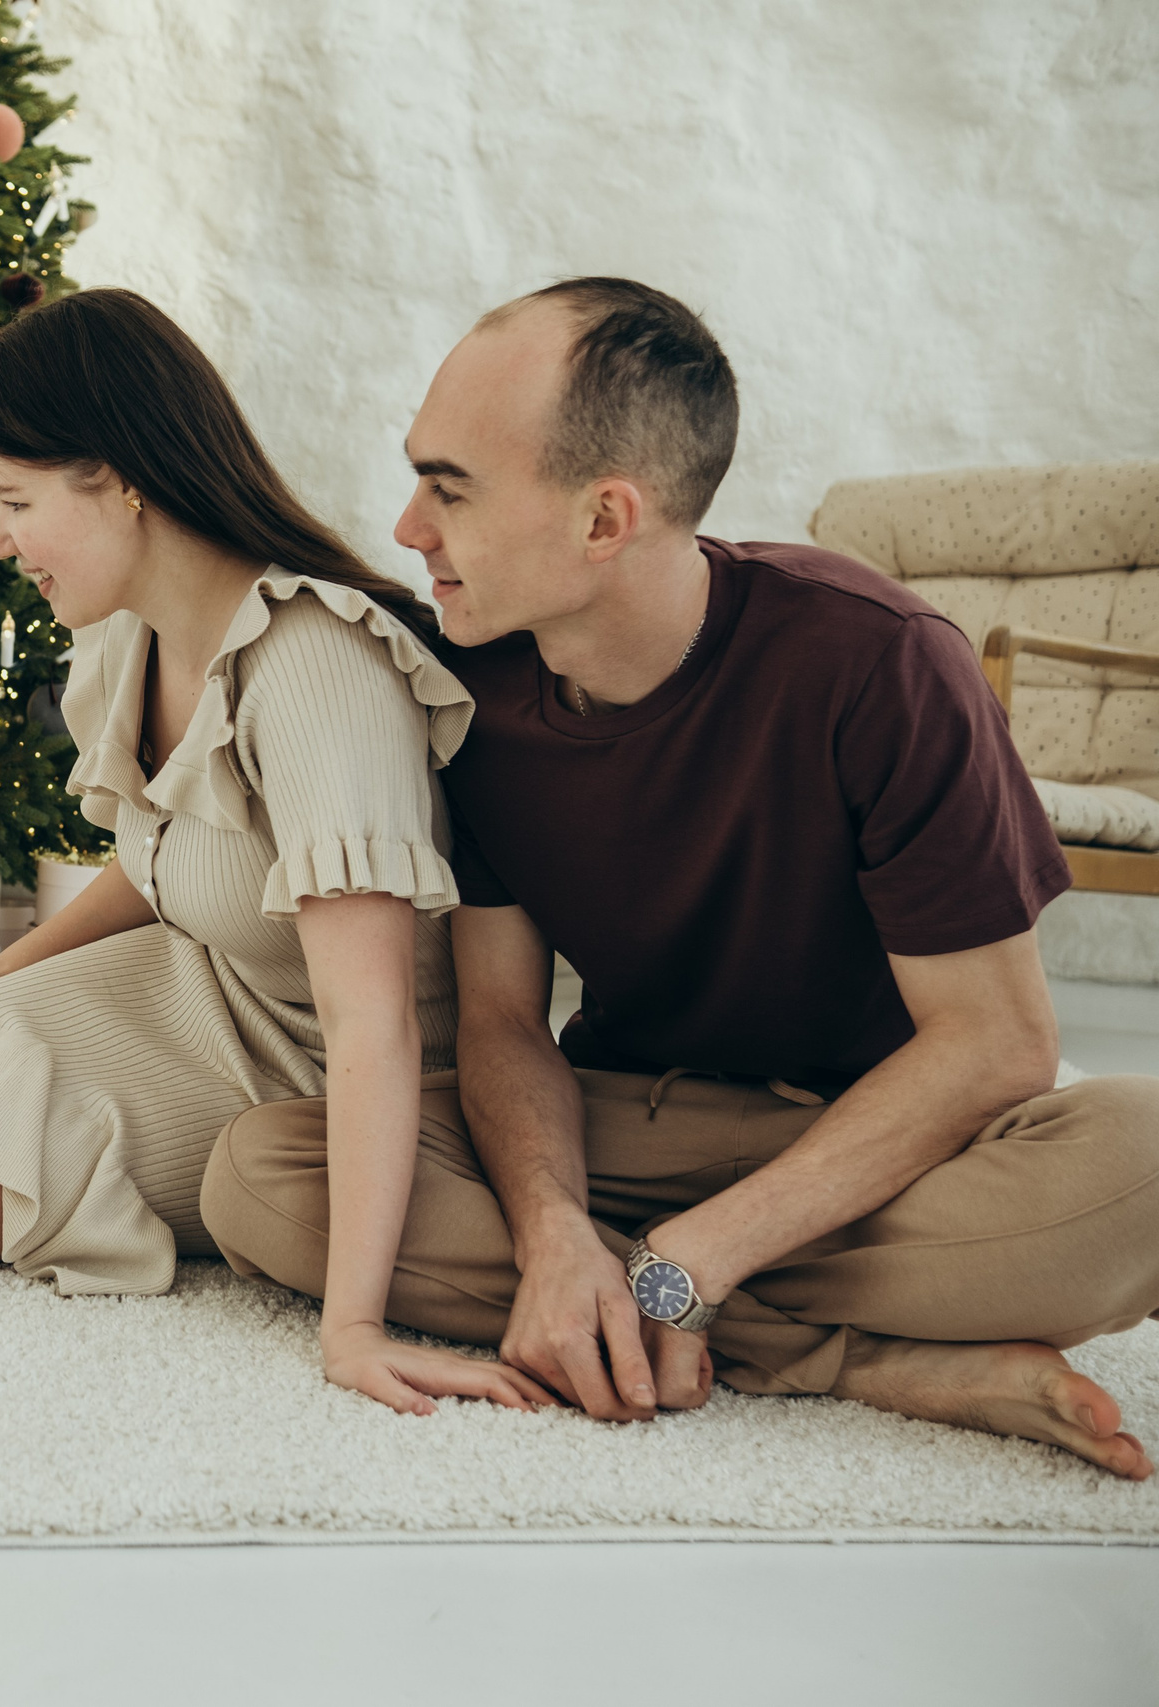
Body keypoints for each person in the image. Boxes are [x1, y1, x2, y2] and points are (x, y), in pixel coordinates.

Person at [202, 277, 1159, 1476]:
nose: (407, 527)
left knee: (1148, 1160)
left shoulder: (883, 666)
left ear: (604, 520)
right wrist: (552, 1233)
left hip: (880, 1143)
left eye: (448, 487)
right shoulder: (468, 688)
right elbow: (502, 1020)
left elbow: (996, 1045)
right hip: (632, 1122)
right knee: (263, 1176)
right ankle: (869, 1361)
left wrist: (685, 1265)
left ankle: (666, 1309)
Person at [0, 288, 546, 1416]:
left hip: (302, 1065)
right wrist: (0, 973)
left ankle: (13, 1140)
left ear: (121, 477)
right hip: (204, 985)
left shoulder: (310, 669)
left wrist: (351, 1326)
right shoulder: (132, 635)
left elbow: (373, 1024)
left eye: (13, 502)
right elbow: (162, 858)